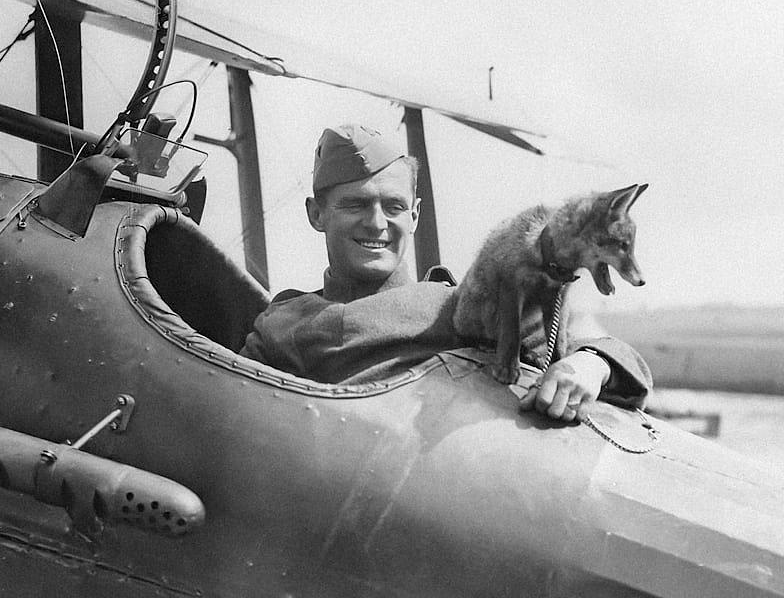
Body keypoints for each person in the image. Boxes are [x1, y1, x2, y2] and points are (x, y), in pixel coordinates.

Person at [240, 124, 652, 422]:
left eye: (394, 207)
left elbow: (608, 351)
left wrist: (589, 366)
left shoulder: (456, 305)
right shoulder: (284, 325)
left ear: (415, 215)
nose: (377, 223)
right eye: (355, 206)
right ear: (316, 214)